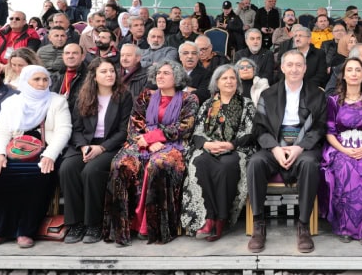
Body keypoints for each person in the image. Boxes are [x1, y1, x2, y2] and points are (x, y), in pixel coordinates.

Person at [103, 60, 199, 246]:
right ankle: (122, 228)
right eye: (158, 73)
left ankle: (153, 228)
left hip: (175, 144)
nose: (160, 76)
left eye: (166, 73)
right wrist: (147, 142)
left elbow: (184, 127)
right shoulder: (146, 96)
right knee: (120, 164)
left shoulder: (189, 99)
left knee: (158, 165)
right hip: (143, 142)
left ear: (177, 77)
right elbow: (134, 125)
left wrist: (153, 137)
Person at [246, 50, 326, 254]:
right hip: (275, 144)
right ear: (282, 68)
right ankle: (258, 224)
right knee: (255, 162)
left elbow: (320, 127)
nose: (294, 69)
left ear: (305, 68)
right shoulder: (268, 94)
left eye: (299, 65)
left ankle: (303, 224)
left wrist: (300, 147)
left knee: (309, 164)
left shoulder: (317, 94)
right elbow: (259, 128)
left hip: (304, 146)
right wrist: (274, 148)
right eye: (289, 65)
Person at [0, 66, 72, 248]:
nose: (41, 83)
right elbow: (2, 131)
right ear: (25, 81)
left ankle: (25, 231)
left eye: (45, 79)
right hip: (15, 151)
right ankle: (2, 229)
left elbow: (64, 130)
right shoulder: (11, 103)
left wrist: (50, 156)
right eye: (36, 79)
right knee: (0, 174)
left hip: (46, 151)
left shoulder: (57, 101)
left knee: (39, 176)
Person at [60, 58, 133, 244]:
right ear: (94, 76)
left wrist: (101, 148)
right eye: (104, 71)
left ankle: (94, 224)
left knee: (91, 171)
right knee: (68, 168)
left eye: (112, 71)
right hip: (84, 144)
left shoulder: (124, 96)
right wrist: (83, 146)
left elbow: (124, 131)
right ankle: (75, 223)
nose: (109, 74)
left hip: (111, 145)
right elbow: (76, 128)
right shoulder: (83, 96)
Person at [181, 65, 256, 242]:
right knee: (199, 163)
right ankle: (208, 218)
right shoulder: (208, 104)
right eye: (224, 78)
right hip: (210, 148)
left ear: (237, 82)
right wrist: (207, 144)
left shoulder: (246, 104)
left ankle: (222, 218)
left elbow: (250, 132)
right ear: (217, 82)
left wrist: (230, 145)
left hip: (236, 149)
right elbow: (198, 131)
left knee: (226, 167)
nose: (229, 81)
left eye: (232, 78)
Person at [322, 58, 362, 245]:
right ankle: (345, 228)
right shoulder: (333, 100)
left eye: (358, 70)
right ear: (343, 75)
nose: (354, 74)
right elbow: (330, 132)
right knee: (345, 168)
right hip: (341, 146)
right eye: (350, 70)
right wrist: (345, 150)